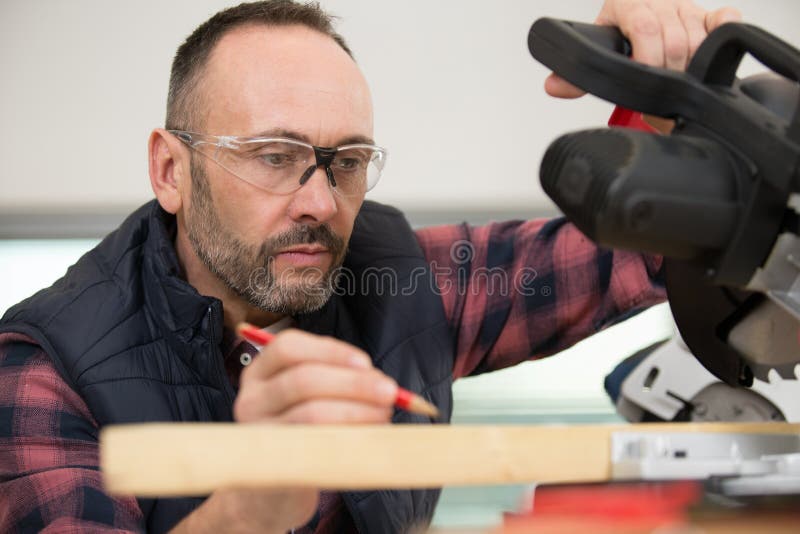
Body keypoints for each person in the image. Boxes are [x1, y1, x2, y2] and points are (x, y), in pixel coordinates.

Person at [0, 1, 741, 532]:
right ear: (170, 169)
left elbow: (623, 253)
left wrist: (687, 120)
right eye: (274, 157)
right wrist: (250, 507)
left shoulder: (394, 278)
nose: (319, 201)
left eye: (346, 161)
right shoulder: (45, 367)